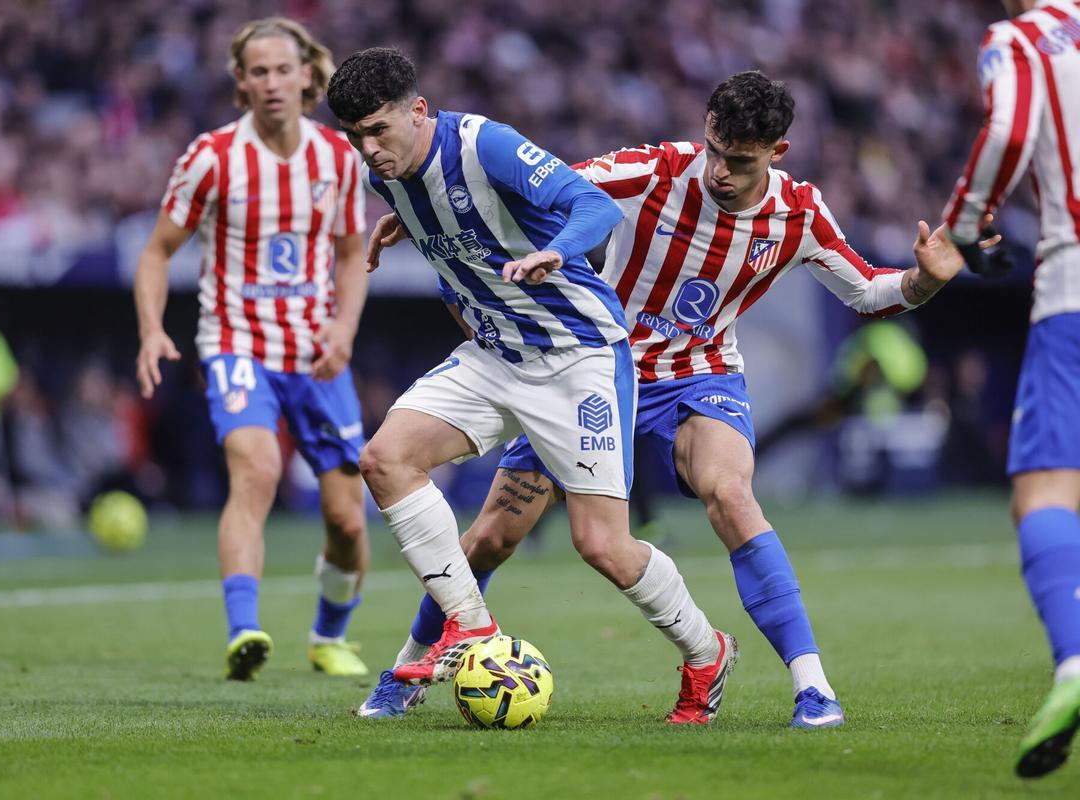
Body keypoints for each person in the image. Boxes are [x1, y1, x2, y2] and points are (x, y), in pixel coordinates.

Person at [357, 71, 994, 727]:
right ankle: (410, 668)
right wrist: (429, 220)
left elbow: (867, 291)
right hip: (592, 366)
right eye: (714, 148)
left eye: (738, 160)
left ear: (777, 152)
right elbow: (536, 193)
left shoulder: (799, 214)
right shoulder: (654, 171)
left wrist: (922, 281)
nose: (718, 169)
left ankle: (813, 687)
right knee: (491, 537)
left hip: (702, 374)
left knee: (732, 496)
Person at [326, 47, 737, 723]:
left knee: (601, 544)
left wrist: (557, 250)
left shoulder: (484, 144)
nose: (368, 150)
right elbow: (456, 255)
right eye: (355, 136)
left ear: (418, 111)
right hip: (498, 356)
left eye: (378, 131)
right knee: (386, 461)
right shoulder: (387, 178)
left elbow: (595, 208)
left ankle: (705, 650)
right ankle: (467, 632)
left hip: (579, 360)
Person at [134, 17, 371, 681]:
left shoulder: (338, 158)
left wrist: (344, 328)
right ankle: (245, 630)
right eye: (257, 72)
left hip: (318, 354)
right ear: (240, 82)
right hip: (237, 344)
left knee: (347, 522)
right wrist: (153, 329)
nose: (271, 83)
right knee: (257, 469)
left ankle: (330, 637)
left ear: (306, 76)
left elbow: (353, 256)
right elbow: (156, 252)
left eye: (282, 70)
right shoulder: (211, 157)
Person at [944, 0, 1080, 778]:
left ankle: (1073, 666)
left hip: (1072, 292)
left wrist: (968, 225)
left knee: (1045, 495)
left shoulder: (1023, 37)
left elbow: (1008, 132)